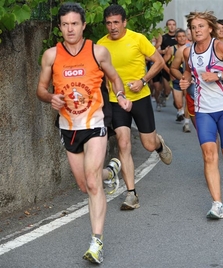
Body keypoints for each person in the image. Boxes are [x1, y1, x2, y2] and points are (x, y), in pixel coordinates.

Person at [36, 2, 131, 264]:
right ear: (60, 27)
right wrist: (50, 98)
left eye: (74, 23)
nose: (70, 29)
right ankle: (110, 171)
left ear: (83, 25)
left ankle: (96, 242)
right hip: (68, 127)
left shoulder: (97, 52)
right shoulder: (51, 56)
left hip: (96, 123)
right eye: (65, 24)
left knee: (91, 183)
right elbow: (41, 90)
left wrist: (121, 96)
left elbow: (114, 78)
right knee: (84, 183)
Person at [97, 4, 172, 211]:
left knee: (148, 144)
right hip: (116, 100)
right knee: (123, 142)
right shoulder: (101, 45)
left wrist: (143, 80)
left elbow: (157, 61)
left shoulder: (137, 38)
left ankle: (158, 145)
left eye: (116, 23)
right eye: (109, 23)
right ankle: (131, 194)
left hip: (140, 97)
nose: (112, 27)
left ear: (124, 22)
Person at [180, 11, 223, 219]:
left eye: (201, 26)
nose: (197, 30)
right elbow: (187, 70)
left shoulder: (219, 47)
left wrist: (217, 75)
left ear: (210, 28)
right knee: (209, 155)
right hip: (203, 110)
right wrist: (185, 80)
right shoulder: (187, 52)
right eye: (193, 27)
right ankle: (217, 204)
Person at [163, 29, 188, 123]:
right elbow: (162, 62)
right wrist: (170, 72)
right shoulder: (172, 49)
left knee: (187, 99)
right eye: (179, 37)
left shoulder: (190, 48)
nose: (182, 38)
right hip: (176, 77)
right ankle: (179, 110)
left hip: (187, 77)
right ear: (176, 38)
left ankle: (186, 121)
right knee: (179, 103)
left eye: (183, 36)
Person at [158, 19, 178, 105]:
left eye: (173, 24)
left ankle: (179, 109)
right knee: (168, 90)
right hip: (165, 65)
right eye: (169, 24)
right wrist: (163, 51)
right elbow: (154, 50)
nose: (172, 26)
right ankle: (163, 94)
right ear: (167, 26)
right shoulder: (163, 37)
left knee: (176, 88)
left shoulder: (179, 37)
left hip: (177, 66)